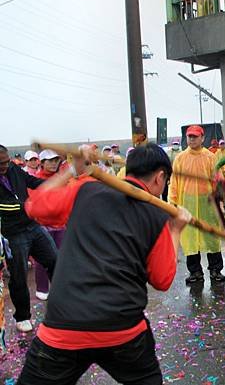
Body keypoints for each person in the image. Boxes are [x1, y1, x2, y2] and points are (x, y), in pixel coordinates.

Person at [18, 143, 191, 384]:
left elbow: (34, 205)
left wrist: (71, 171)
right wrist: (175, 230)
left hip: (64, 326)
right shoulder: (157, 215)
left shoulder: (86, 189)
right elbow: (162, 280)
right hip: (122, 330)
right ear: (160, 177)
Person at [0, 145, 57, 332]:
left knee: (55, 260)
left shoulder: (14, 169)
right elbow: (6, 206)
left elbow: (32, 182)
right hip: (12, 233)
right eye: (0, 164)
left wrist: (56, 183)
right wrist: (28, 205)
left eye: (6, 161)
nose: (5, 166)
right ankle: (22, 316)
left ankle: (62, 302)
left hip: (33, 226)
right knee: (18, 276)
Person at [169, 125, 225, 284]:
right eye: (189, 136)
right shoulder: (180, 158)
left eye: (195, 136)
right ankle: (195, 272)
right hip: (186, 203)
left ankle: (216, 270)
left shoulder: (210, 157)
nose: (192, 139)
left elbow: (218, 180)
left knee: (211, 238)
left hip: (208, 204)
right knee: (190, 239)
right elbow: (174, 182)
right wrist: (172, 203)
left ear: (202, 138)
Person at [32, 149, 65, 301]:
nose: (53, 163)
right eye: (50, 161)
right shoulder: (34, 179)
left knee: (61, 257)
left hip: (61, 225)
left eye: (55, 160)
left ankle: (59, 287)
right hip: (42, 226)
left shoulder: (61, 178)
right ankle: (42, 287)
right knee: (42, 258)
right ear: (42, 162)